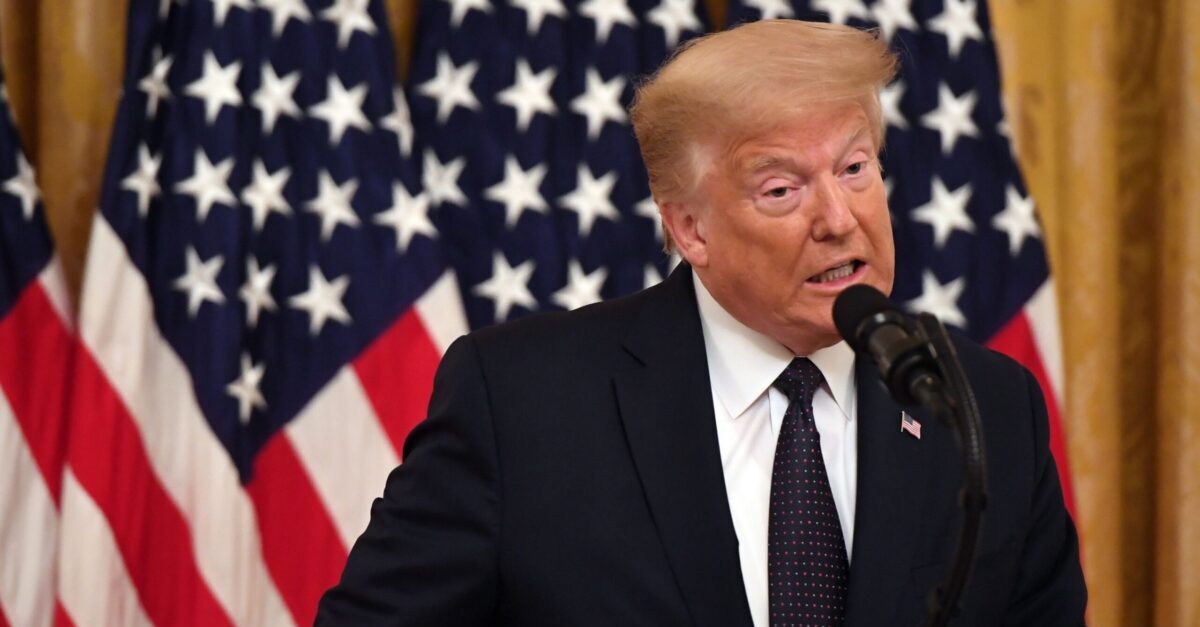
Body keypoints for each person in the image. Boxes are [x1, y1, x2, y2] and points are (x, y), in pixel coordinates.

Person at [315, 19, 1086, 627]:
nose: (839, 218)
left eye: (856, 168)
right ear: (690, 229)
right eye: (782, 189)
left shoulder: (984, 409)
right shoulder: (523, 404)